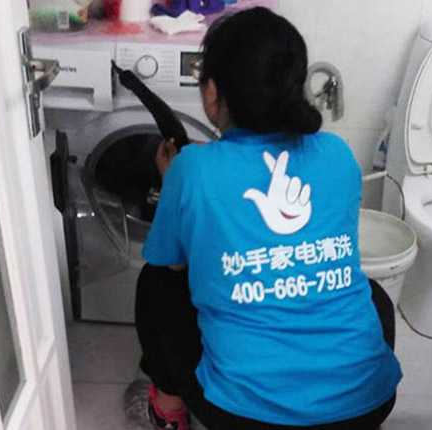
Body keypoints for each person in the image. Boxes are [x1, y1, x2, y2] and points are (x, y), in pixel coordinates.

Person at [132, 7, 401, 430]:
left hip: (247, 416)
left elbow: (175, 264)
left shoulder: (193, 170)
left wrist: (174, 184)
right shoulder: (337, 154)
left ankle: (167, 410)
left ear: (212, 92)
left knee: (156, 284)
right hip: (366, 405)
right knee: (370, 294)